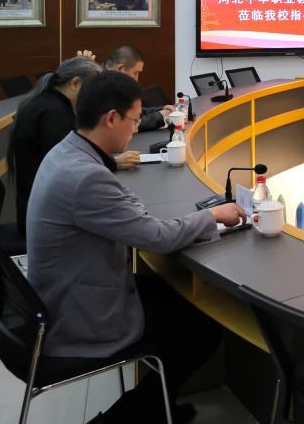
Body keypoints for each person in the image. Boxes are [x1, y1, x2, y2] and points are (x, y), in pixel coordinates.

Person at [27, 71, 245, 423]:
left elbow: (127, 208)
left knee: (178, 300)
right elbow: (158, 238)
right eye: (134, 119)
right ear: (111, 118)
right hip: (80, 316)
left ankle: (153, 407)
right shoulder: (86, 177)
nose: (137, 128)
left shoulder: (68, 151)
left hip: (66, 295)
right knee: (203, 328)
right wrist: (213, 215)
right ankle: (131, 416)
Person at [8, 56, 103, 236]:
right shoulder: (54, 114)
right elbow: (68, 169)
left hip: (36, 209)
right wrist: (112, 162)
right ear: (75, 84)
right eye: (92, 90)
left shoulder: (47, 102)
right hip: (45, 220)